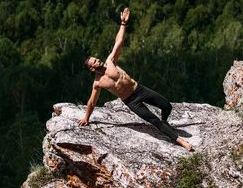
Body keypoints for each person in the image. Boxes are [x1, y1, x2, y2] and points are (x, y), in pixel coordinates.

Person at [79, 8, 192, 151]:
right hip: (131, 102)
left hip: (139, 89)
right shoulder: (98, 82)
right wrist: (86, 118)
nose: (98, 61)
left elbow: (118, 42)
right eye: (94, 62)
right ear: (91, 68)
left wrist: (123, 24)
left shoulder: (110, 61)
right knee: (154, 121)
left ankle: (165, 120)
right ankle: (181, 142)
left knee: (167, 105)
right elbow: (92, 101)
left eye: (96, 59)